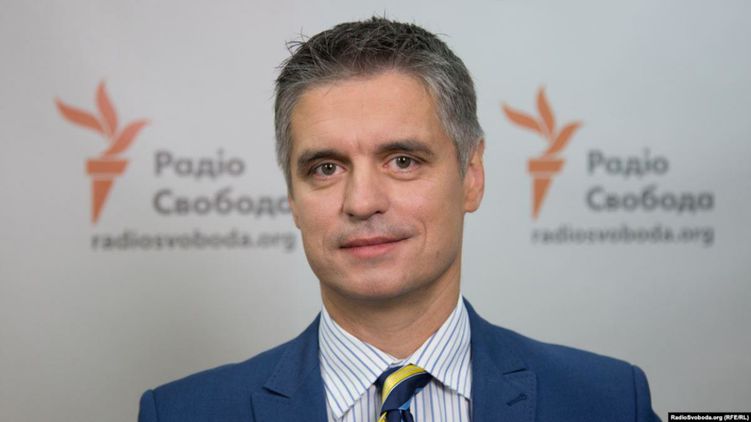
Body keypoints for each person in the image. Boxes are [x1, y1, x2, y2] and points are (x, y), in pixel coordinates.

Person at [138, 17, 660, 422]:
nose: (362, 201)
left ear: (472, 175)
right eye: (326, 168)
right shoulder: (182, 413)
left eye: (403, 161)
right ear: (293, 197)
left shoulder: (610, 401)